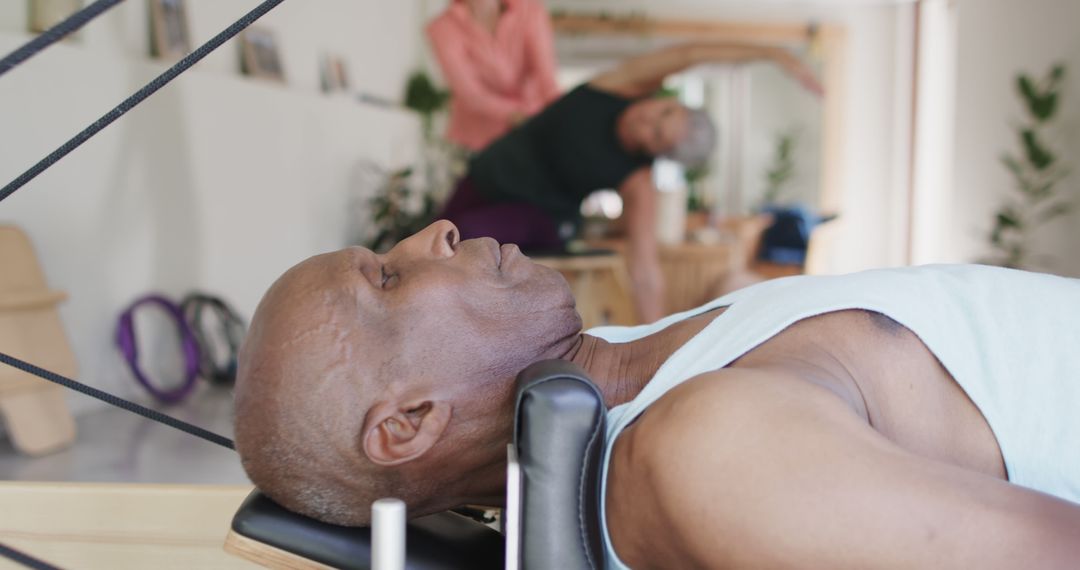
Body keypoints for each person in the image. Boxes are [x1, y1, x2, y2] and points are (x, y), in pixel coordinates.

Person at [233, 221, 1080, 568]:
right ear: (410, 420)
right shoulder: (707, 448)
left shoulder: (624, 369)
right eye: (386, 277)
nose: (433, 233)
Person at [440, 42, 822, 322]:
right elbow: (689, 53)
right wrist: (775, 55)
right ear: (667, 99)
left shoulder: (638, 180)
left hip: (539, 214)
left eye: (658, 136)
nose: (648, 122)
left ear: (658, 154)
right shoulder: (618, 86)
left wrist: (654, 337)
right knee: (429, 237)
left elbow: (645, 271)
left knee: (465, 238)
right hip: (488, 175)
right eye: (663, 113)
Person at [426, 0, 561, 151]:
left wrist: (561, 114)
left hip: (533, 128)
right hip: (478, 139)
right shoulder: (443, 28)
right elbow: (470, 93)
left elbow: (546, 77)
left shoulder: (531, 11)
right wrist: (517, 113)